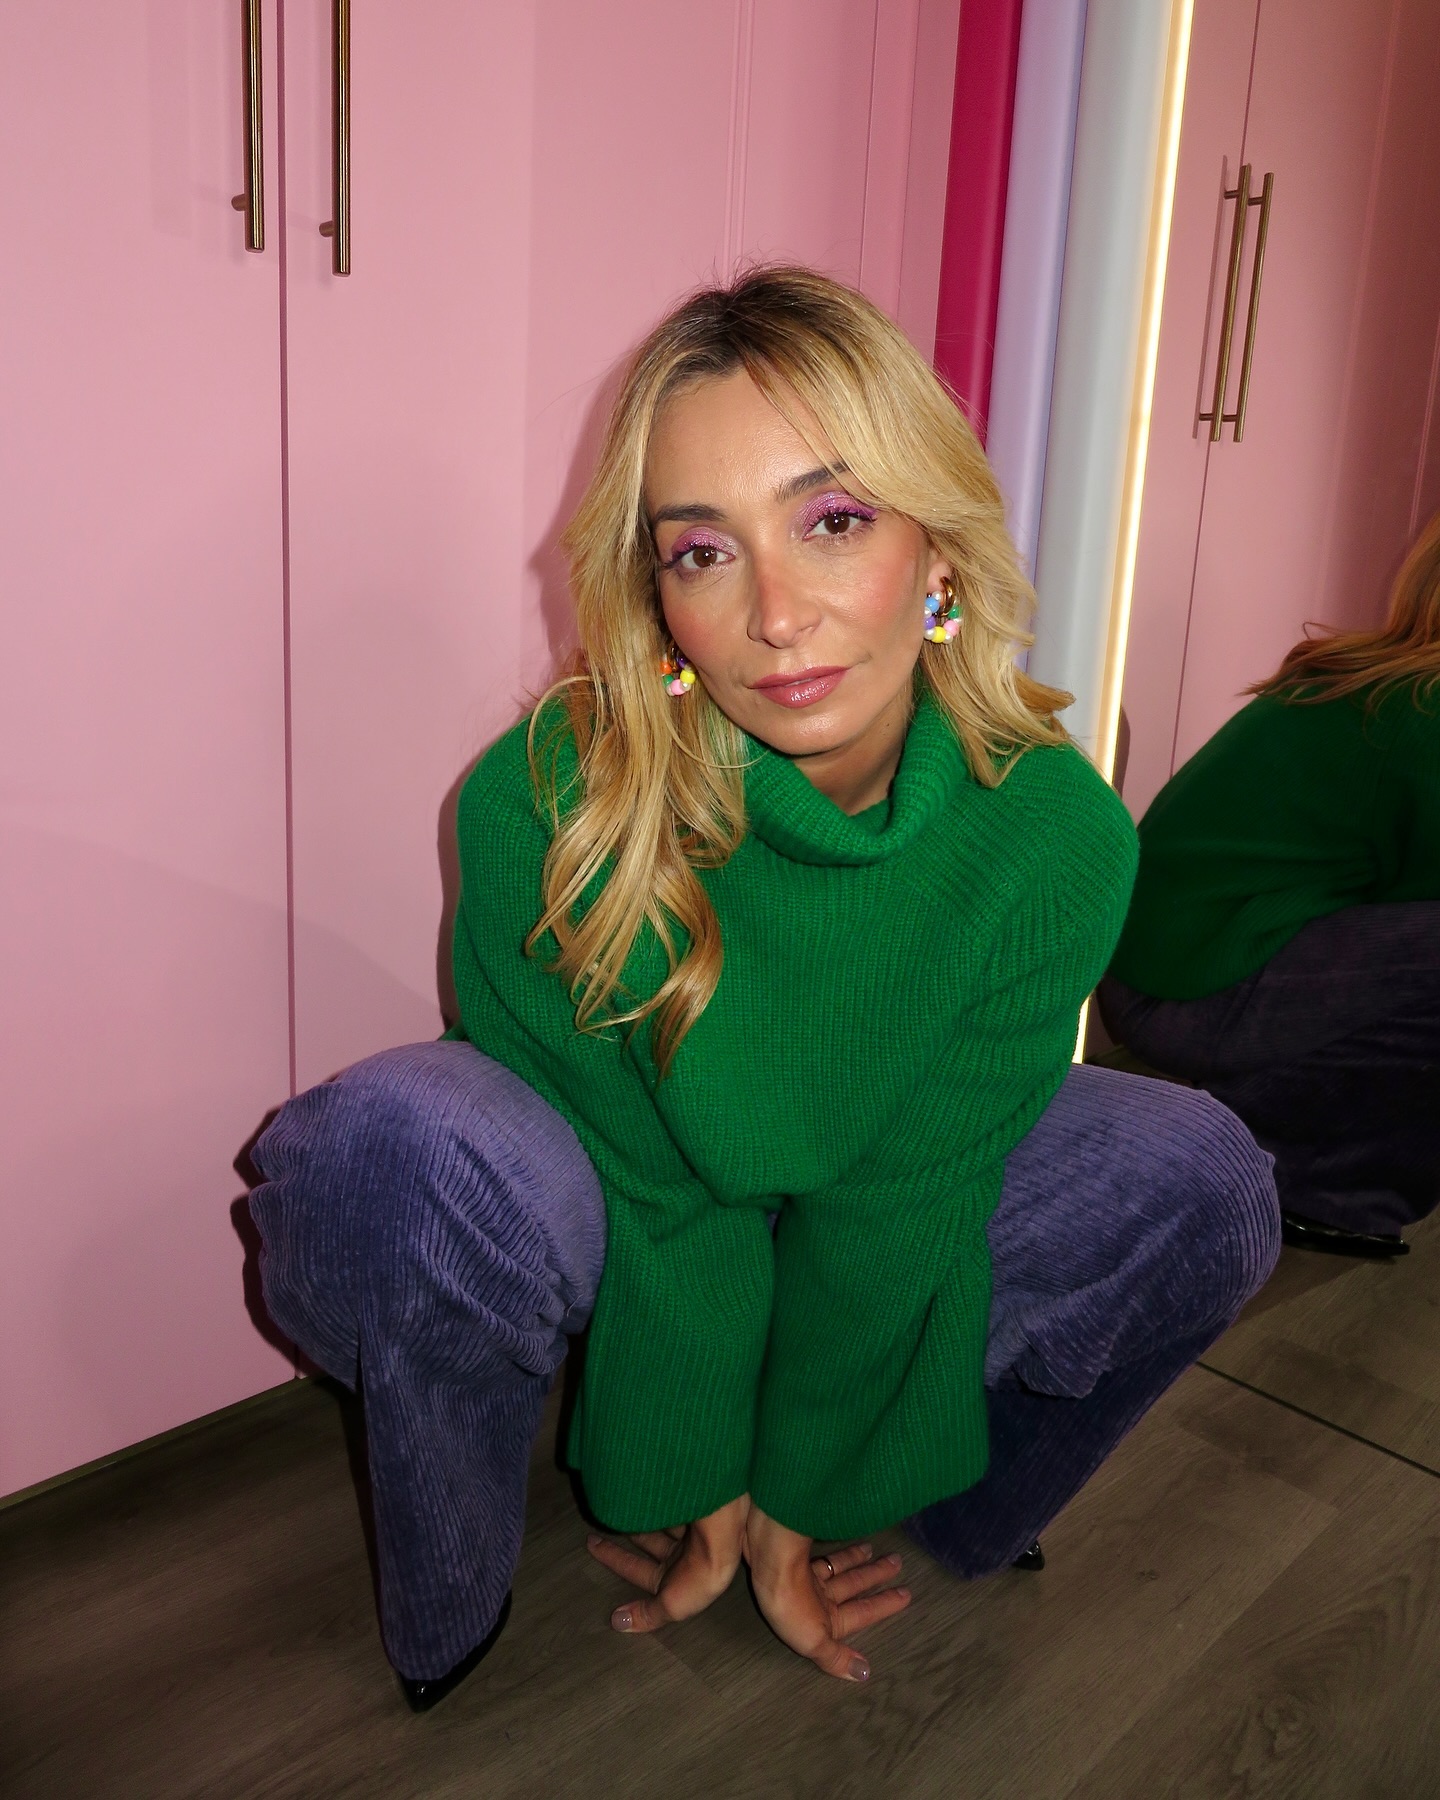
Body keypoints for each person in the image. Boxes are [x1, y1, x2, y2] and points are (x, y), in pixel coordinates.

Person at [248, 268, 1278, 1711]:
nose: (777, 616)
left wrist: (797, 1499)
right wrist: (696, 1472)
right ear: (655, 594)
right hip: (631, 1196)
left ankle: (930, 1506)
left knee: (1210, 1175)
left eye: (833, 521)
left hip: (875, 1173)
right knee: (392, 1151)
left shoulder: (1056, 839)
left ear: (937, 549)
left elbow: (905, 1202)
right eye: (703, 551)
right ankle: (454, 1616)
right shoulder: (549, 803)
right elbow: (664, 1197)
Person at [1101, 511, 1440, 1258]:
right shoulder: (1423, 707)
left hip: (1183, 964)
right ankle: (1297, 1172)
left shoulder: (1398, 683)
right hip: (1185, 989)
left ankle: (1303, 1162)